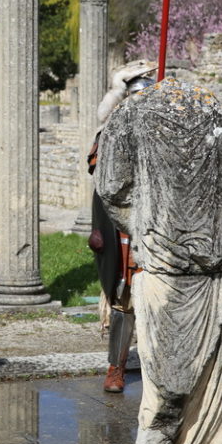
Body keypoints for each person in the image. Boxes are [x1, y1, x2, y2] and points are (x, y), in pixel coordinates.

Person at [88, 62, 154, 393]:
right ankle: (116, 366)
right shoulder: (110, 136)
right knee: (122, 300)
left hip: (155, 226)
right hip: (123, 225)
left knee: (158, 301)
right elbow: (98, 171)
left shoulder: (165, 138)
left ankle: (159, 369)